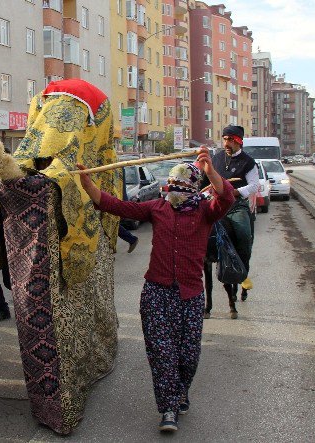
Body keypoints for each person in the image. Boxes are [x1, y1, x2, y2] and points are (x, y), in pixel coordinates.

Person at [77, 149, 235, 433]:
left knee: (188, 356)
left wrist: (210, 170)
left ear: (194, 188)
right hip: (156, 295)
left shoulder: (205, 212)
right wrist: (88, 185)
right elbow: (116, 206)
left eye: (181, 187)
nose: (175, 192)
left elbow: (227, 198)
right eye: (171, 186)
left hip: (189, 296)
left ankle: (180, 392)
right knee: (162, 354)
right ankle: (169, 409)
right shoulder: (157, 208)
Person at [203, 125, 259, 316]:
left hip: (236, 206)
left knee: (244, 234)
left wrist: (234, 192)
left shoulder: (249, 162)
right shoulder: (217, 158)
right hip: (216, 204)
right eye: (225, 139)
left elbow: (253, 186)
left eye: (231, 140)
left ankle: (242, 273)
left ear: (239, 141)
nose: (227, 143)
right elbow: (205, 179)